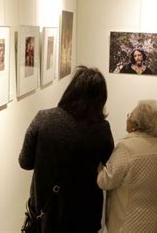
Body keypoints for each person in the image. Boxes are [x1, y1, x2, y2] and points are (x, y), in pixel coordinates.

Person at [19, 66, 114, 232]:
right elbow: (109, 166)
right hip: (84, 215)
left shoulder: (43, 118)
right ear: (100, 99)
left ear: (71, 90)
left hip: (46, 213)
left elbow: (25, 162)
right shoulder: (101, 129)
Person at [97, 99, 157, 232]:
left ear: (135, 124)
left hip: (130, 225)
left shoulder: (126, 148)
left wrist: (98, 166)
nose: (127, 119)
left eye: (129, 116)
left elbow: (106, 182)